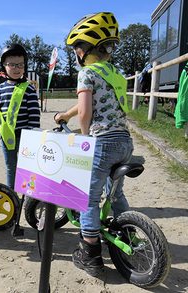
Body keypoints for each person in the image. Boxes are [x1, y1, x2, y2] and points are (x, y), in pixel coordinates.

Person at [55, 12, 134, 277]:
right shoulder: (114, 73)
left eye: (77, 47)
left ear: (84, 50)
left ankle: (90, 250)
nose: (76, 52)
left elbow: (87, 111)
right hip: (124, 142)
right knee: (116, 193)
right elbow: (93, 103)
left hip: (102, 144)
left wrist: (86, 136)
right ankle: (130, 232)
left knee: (87, 197)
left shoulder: (86, 73)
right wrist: (66, 115)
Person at [0, 43, 41, 189]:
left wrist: (34, 134)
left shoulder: (29, 89)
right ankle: (11, 193)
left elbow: (34, 114)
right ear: (4, 66)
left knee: (27, 168)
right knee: (10, 166)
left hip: (25, 137)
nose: (17, 68)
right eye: (12, 65)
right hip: (7, 138)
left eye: (20, 65)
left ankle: (27, 194)